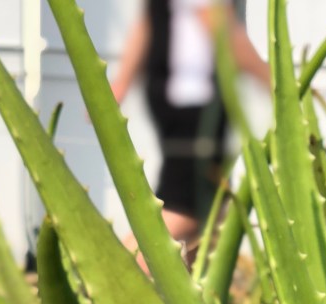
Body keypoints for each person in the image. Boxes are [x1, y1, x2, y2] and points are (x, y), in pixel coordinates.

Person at [110, 0, 271, 259]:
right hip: (193, 100)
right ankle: (112, 275)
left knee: (212, 210)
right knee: (187, 211)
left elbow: (148, 22)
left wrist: (121, 84)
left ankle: (185, 284)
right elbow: (218, 23)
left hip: (183, 97)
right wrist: (272, 81)